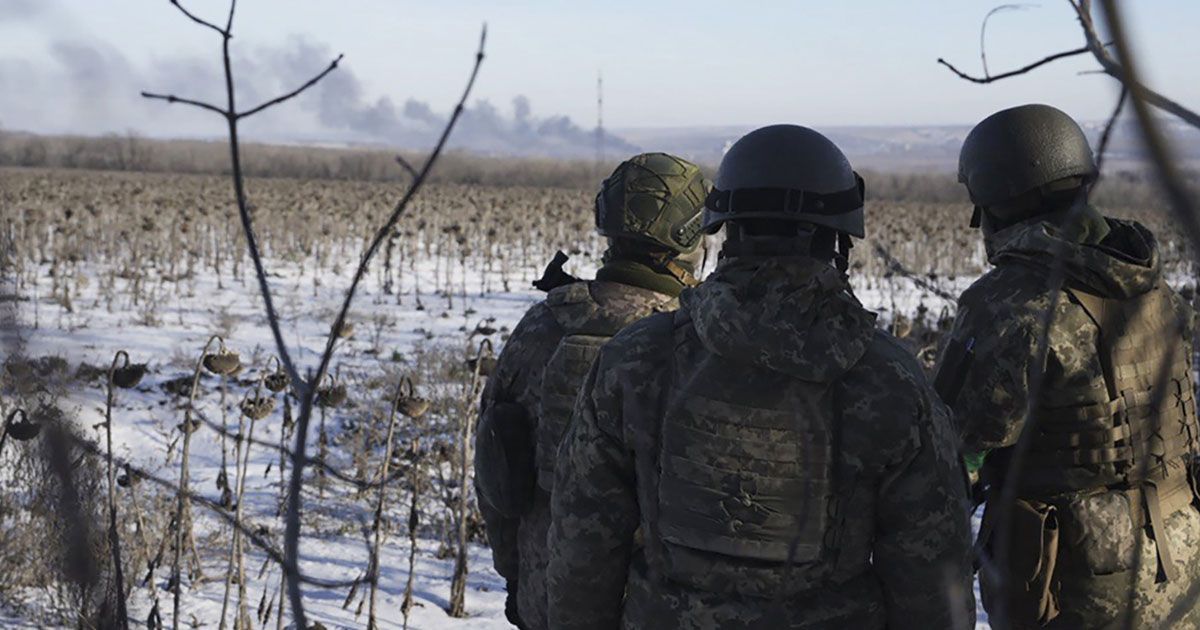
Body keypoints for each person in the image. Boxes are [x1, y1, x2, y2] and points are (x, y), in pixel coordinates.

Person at [547, 125, 975, 629]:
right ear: (837, 236)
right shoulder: (891, 383)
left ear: (723, 226)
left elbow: (583, 549)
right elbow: (932, 581)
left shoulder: (634, 361)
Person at [937, 103, 1200, 628]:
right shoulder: (1150, 284)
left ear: (994, 199)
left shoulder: (1010, 303)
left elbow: (951, 438)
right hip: (1182, 553)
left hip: (1078, 578)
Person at [473, 152, 711, 630]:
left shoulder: (542, 324)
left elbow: (495, 472)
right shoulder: (693, 343)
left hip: (547, 601)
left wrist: (519, 581)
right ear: (689, 237)